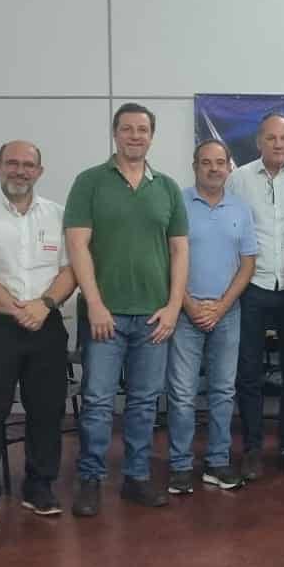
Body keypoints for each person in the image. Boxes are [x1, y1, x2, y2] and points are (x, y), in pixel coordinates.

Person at [64, 103, 189, 515]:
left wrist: (173, 307)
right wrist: (95, 304)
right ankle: (90, 479)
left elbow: (180, 251)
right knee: (98, 401)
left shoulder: (167, 188)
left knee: (144, 402)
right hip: (105, 316)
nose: (135, 136)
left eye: (142, 130)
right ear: (115, 133)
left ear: (152, 136)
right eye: (127, 129)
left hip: (154, 317)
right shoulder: (90, 182)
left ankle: (136, 477)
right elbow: (77, 245)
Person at [0, 141, 77, 528]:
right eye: (12, 163)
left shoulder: (57, 214)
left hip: (46, 321)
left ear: (39, 171)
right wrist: (17, 309)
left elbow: (71, 270)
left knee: (47, 408)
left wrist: (44, 305)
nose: (20, 171)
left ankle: (39, 487)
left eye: (28, 165)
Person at [227, 112, 284, 481]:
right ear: (259, 142)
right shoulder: (238, 179)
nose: (278, 144)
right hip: (252, 285)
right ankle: (252, 449)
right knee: (248, 372)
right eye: (271, 138)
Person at [165, 140, 256, 496]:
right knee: (182, 393)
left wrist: (221, 306)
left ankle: (218, 462)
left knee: (223, 391)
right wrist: (188, 304)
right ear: (195, 166)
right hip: (184, 313)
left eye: (220, 162)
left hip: (227, 313)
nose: (214, 168)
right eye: (206, 162)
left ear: (229, 167)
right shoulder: (176, 204)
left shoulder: (241, 209)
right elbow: (166, 259)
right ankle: (180, 466)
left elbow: (247, 264)